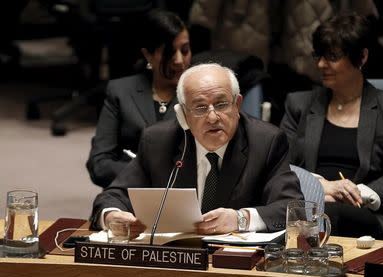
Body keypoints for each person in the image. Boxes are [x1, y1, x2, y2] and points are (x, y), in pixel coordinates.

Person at [90, 63, 302, 235]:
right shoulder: (158, 141)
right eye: (200, 108)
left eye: (221, 104)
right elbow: (113, 196)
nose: (212, 117)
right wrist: (112, 216)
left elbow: (294, 208)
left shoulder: (265, 142)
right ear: (183, 114)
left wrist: (241, 219)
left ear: (237, 105)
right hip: (175, 260)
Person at [279, 13, 383, 241]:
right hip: (309, 205)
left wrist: (352, 194)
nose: (321, 64)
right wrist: (322, 188)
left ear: (361, 57)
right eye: (318, 55)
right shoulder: (299, 104)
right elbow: (280, 167)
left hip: (368, 213)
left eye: (332, 56)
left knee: (329, 214)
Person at [86, 9, 192, 188]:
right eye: (169, 52)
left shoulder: (200, 94)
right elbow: (99, 164)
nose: (179, 60)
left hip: (182, 198)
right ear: (148, 55)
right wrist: (147, 175)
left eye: (185, 50)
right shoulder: (120, 91)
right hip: (126, 195)